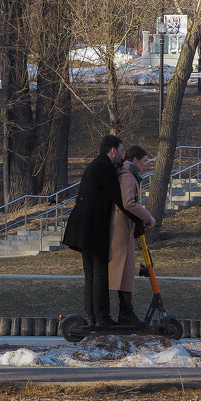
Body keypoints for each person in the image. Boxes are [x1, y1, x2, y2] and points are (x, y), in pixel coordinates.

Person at [61, 135, 125, 327]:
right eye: (121, 150)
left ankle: (92, 316)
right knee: (99, 271)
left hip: (82, 225)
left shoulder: (97, 165)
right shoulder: (105, 167)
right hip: (92, 226)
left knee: (91, 272)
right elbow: (119, 199)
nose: (122, 155)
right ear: (112, 150)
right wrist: (139, 222)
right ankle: (102, 316)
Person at [110, 145, 157, 326]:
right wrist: (148, 216)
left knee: (126, 272)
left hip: (125, 228)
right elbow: (129, 203)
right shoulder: (128, 176)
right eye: (144, 161)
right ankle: (125, 313)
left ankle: (126, 312)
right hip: (122, 229)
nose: (146, 164)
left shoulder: (129, 175)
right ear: (135, 160)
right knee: (124, 272)